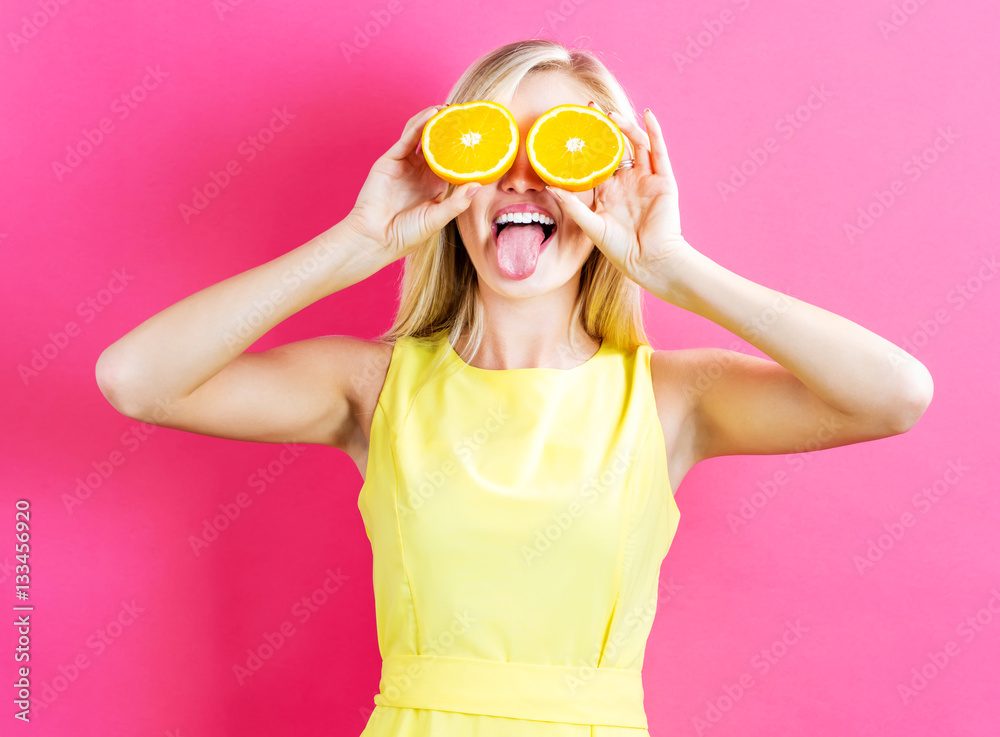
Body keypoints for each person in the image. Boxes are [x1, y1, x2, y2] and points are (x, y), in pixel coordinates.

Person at [95, 38, 933, 736]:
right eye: (496, 144)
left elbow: (896, 393)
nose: (525, 178)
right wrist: (355, 243)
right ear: (453, 179)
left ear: (605, 182)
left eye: (564, 148)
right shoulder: (372, 385)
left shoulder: (670, 399)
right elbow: (136, 379)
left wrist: (674, 268)